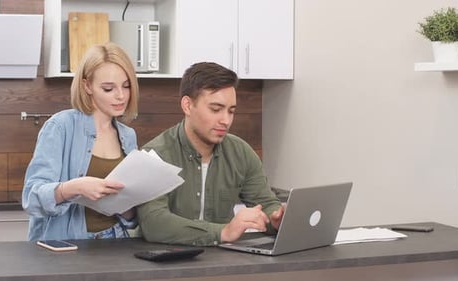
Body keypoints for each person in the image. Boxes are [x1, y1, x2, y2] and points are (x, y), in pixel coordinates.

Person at [137, 62, 285, 246]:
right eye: (216, 109)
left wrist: (277, 219)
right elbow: (154, 223)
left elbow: (266, 204)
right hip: (163, 265)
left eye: (231, 111)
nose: (226, 120)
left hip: (220, 265)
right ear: (188, 105)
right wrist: (222, 232)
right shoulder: (155, 155)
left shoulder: (241, 153)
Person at [22, 42, 140, 241]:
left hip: (117, 241)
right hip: (68, 242)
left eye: (126, 86)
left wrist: (129, 208)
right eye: (108, 88)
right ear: (87, 86)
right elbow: (32, 198)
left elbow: (130, 217)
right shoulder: (60, 127)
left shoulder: (128, 136)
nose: (121, 95)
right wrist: (73, 188)